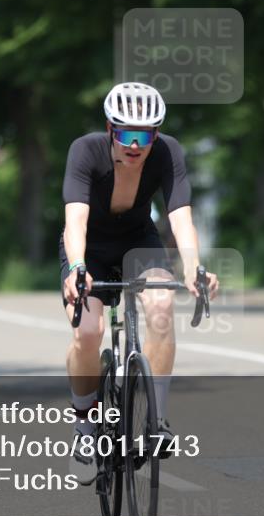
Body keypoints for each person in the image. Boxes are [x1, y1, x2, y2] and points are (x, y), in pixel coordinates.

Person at [60, 82, 218, 484]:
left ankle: (156, 422)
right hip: (89, 247)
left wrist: (193, 268)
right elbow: (75, 220)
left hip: (138, 241)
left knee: (162, 307)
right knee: (88, 332)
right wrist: (77, 267)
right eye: (126, 134)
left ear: (156, 135)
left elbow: (180, 217)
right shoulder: (85, 151)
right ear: (110, 130)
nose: (135, 145)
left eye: (144, 136)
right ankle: (84, 426)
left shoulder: (167, 153)